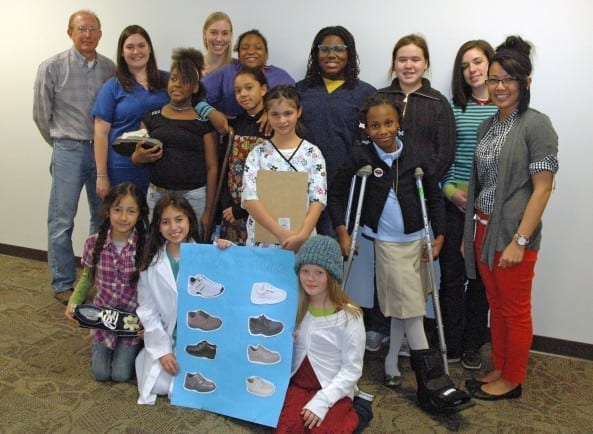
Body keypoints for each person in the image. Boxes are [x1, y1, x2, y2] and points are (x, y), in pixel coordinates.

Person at [328, 94, 471, 413]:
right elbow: (335, 192)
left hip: (417, 240)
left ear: (399, 123)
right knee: (412, 311)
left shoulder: (417, 155)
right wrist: (342, 229)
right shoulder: (361, 155)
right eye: (375, 125)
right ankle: (431, 383)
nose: (382, 131)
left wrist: (440, 237)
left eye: (389, 123)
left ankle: (392, 363)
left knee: (405, 305)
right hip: (386, 244)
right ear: (368, 127)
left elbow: (434, 199)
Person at [463, 36, 559, 400]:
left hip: (514, 235)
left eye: (509, 79)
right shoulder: (488, 126)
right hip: (483, 231)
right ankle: (500, 367)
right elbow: (480, 183)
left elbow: (543, 188)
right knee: (497, 308)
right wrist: (469, 233)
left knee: (515, 311)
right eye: (494, 79)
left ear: (526, 83)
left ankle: (513, 379)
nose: (500, 87)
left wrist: (520, 240)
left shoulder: (537, 125)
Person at [366, 33, 456, 352]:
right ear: (394, 64)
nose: (408, 65)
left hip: (416, 195)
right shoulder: (380, 97)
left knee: (413, 270)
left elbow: (445, 150)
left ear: (426, 64)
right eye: (402, 59)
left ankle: (407, 332)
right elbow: (365, 142)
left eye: (415, 59)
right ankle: (379, 325)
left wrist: (423, 176)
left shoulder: (437, 104)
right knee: (384, 265)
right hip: (382, 196)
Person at [33, 10, 116, 304]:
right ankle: (63, 282)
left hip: (101, 151)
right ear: (70, 32)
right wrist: (60, 143)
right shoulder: (52, 67)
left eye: (93, 28)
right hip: (67, 148)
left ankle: (96, 278)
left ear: (100, 34)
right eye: (81, 28)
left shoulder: (110, 68)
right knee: (61, 220)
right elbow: (41, 116)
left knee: (103, 218)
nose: (87, 34)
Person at [438, 40, 498, 369]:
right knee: (451, 276)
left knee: (479, 280)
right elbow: (444, 157)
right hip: (454, 203)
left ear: (491, 63)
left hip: (488, 207)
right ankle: (452, 341)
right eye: (465, 65)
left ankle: (474, 343)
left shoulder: (506, 109)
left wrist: (481, 201)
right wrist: (449, 191)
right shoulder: (452, 107)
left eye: (477, 62)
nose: (472, 70)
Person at [274, 235, 365, 433]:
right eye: (305, 270)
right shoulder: (295, 307)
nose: (310, 278)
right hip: (298, 385)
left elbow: (352, 370)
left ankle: (357, 412)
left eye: (319, 272)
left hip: (332, 389)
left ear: (331, 275)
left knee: (323, 429)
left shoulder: (349, 317)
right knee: (287, 428)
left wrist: (323, 401)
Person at [64, 182, 148, 381]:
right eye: (117, 210)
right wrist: (73, 302)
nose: (123, 217)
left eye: (131, 211)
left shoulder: (145, 246)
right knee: (101, 374)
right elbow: (86, 279)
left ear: (139, 214)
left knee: (120, 375)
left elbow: (153, 289)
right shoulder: (94, 242)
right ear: (108, 211)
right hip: (102, 319)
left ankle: (135, 348)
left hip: (131, 322)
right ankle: (99, 345)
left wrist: (149, 325)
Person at [297, 25, 376, 236]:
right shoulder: (300, 91)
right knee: (298, 250)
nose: (331, 55)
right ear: (316, 53)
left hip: (343, 188)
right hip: (302, 185)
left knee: (330, 254)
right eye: (325, 49)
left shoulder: (366, 94)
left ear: (349, 54)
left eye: (339, 49)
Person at [131, 48, 218, 235]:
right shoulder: (151, 117)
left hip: (194, 197)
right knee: (156, 246)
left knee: (192, 252)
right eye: (174, 79)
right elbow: (137, 157)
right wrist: (138, 156)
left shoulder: (203, 121)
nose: (177, 85)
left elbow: (212, 168)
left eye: (185, 81)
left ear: (195, 87)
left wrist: (209, 211)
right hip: (157, 195)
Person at [242, 85, 327, 251]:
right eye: (275, 114)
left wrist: (302, 235)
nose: (282, 120)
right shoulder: (257, 154)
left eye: (288, 113)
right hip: (262, 242)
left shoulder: (312, 153)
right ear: (267, 115)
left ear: (299, 112)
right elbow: (249, 198)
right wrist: (279, 232)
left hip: (302, 240)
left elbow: (318, 198)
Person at [135, 193, 201, 405]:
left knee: (189, 385)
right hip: (165, 336)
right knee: (160, 385)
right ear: (158, 227)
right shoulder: (151, 263)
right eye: (166, 222)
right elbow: (147, 310)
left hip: (197, 337)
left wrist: (226, 249)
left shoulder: (206, 256)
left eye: (179, 219)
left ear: (190, 219)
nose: (174, 228)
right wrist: (163, 351)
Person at [93, 24, 169, 198]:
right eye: (130, 47)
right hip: (123, 169)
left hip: (162, 167)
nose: (136, 52)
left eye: (141, 45)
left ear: (149, 49)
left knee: (159, 222)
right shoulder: (112, 87)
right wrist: (102, 176)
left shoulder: (168, 81)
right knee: (125, 221)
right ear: (122, 52)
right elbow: (100, 133)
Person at [219, 66, 268, 244]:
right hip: (232, 212)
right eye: (238, 90)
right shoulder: (234, 125)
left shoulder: (271, 126)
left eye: (249, 88)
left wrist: (243, 210)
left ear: (263, 89)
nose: (243, 94)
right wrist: (227, 204)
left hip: (262, 212)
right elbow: (226, 168)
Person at [203, 29, 295, 118]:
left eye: (258, 48)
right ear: (238, 54)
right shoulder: (228, 72)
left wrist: (274, 113)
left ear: (266, 54)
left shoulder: (280, 77)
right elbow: (196, 94)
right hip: (234, 130)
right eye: (244, 48)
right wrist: (214, 115)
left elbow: (294, 104)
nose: (251, 52)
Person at [201, 11, 233, 76]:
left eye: (225, 33)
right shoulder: (191, 67)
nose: (219, 39)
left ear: (230, 36)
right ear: (204, 34)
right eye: (213, 33)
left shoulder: (238, 69)